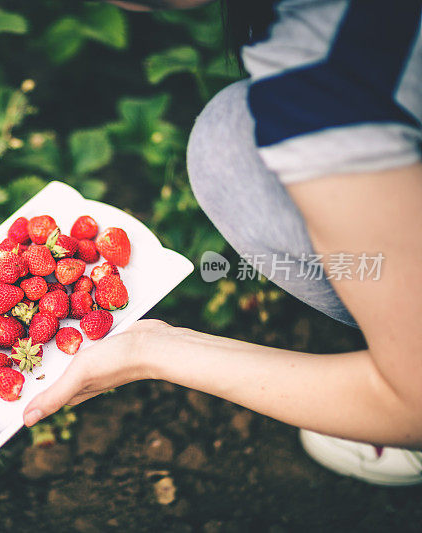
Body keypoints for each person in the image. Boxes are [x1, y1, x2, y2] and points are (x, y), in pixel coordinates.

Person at [24, 0, 422, 485]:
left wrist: (150, 350)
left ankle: (391, 361)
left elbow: (416, 404)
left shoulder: (318, 69)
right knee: (232, 133)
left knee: (229, 152)